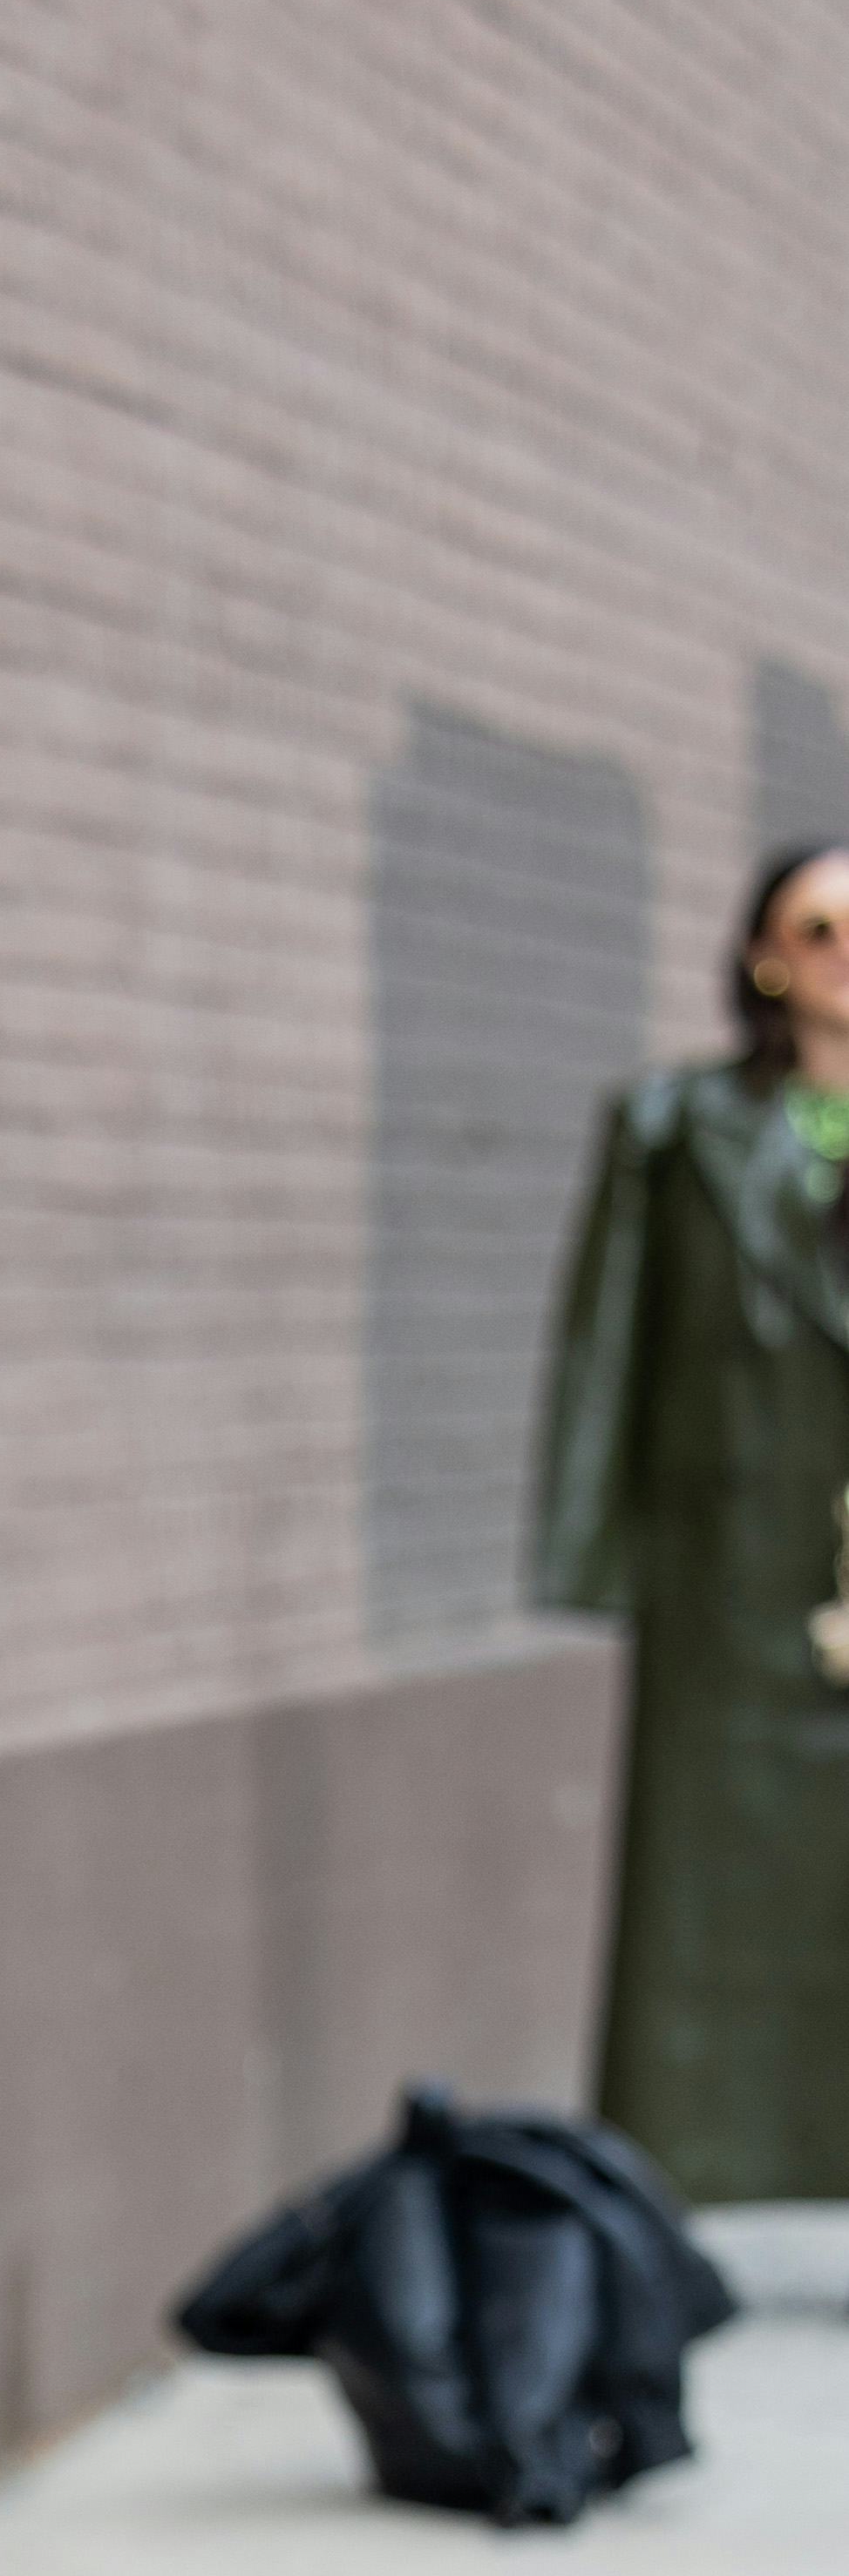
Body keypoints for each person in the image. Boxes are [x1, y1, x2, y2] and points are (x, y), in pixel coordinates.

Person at [537, 842, 849, 2201]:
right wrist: (593, 1554)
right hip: (730, 1571)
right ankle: (670, 2195)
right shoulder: (674, 1128)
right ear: (766, 955)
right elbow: (604, 1344)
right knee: (699, 1907)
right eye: (821, 925)